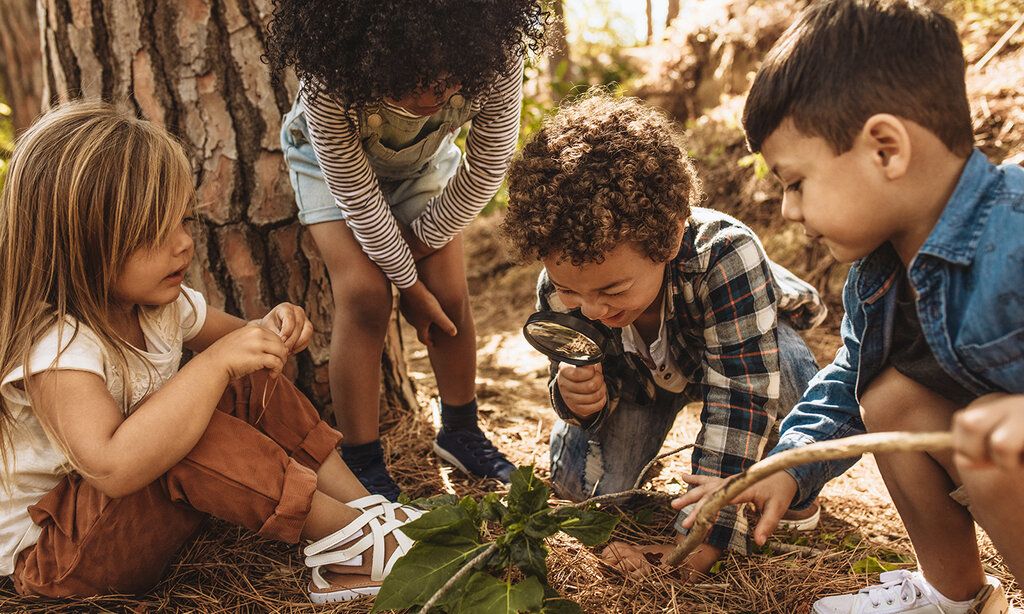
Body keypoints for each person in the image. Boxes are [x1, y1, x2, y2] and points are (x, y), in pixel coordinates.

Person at [675, 2, 1024, 612]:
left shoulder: (1015, 230)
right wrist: (784, 467)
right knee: (887, 393)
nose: (786, 210)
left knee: (993, 434)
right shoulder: (876, 279)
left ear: (885, 149)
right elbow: (846, 384)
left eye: (795, 182)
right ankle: (950, 595)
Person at [0, 101, 419, 604]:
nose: (183, 245)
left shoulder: (158, 307)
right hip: (56, 558)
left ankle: (367, 512)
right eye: (156, 233)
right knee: (190, 426)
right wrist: (215, 364)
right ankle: (351, 545)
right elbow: (113, 468)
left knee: (243, 379)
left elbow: (246, 343)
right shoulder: (59, 348)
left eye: (183, 222)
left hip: (119, 522)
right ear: (80, 245)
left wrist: (274, 328)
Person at [499, 91, 827, 580]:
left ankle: (792, 484)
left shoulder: (726, 255)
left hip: (737, 352)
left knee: (791, 373)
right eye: (571, 290)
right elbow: (567, 371)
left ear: (670, 237)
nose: (591, 308)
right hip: (641, 383)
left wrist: (700, 538)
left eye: (612, 288)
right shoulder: (562, 286)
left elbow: (740, 395)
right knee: (580, 488)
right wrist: (577, 400)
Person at [262, 0, 550, 500]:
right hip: (331, 170)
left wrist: (419, 254)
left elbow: (487, 165)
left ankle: (461, 432)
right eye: (413, 80)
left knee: (450, 293)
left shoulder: (494, 51)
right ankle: (362, 459)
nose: (432, 95)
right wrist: (407, 286)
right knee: (365, 296)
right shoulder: (330, 79)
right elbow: (356, 196)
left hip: (423, 165)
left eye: (447, 79)